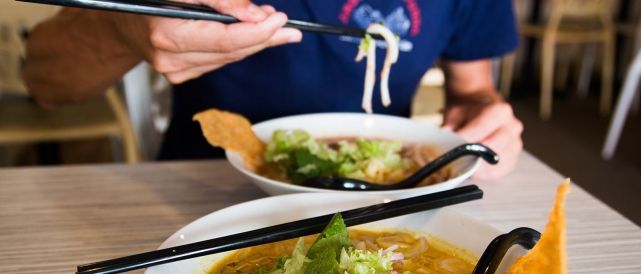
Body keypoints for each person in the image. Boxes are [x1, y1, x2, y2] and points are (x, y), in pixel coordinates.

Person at [23, 0, 523, 179]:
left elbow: (472, 89)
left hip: (383, 199)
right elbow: (45, 80)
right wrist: (121, 29)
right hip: (206, 192)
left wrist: (486, 118)